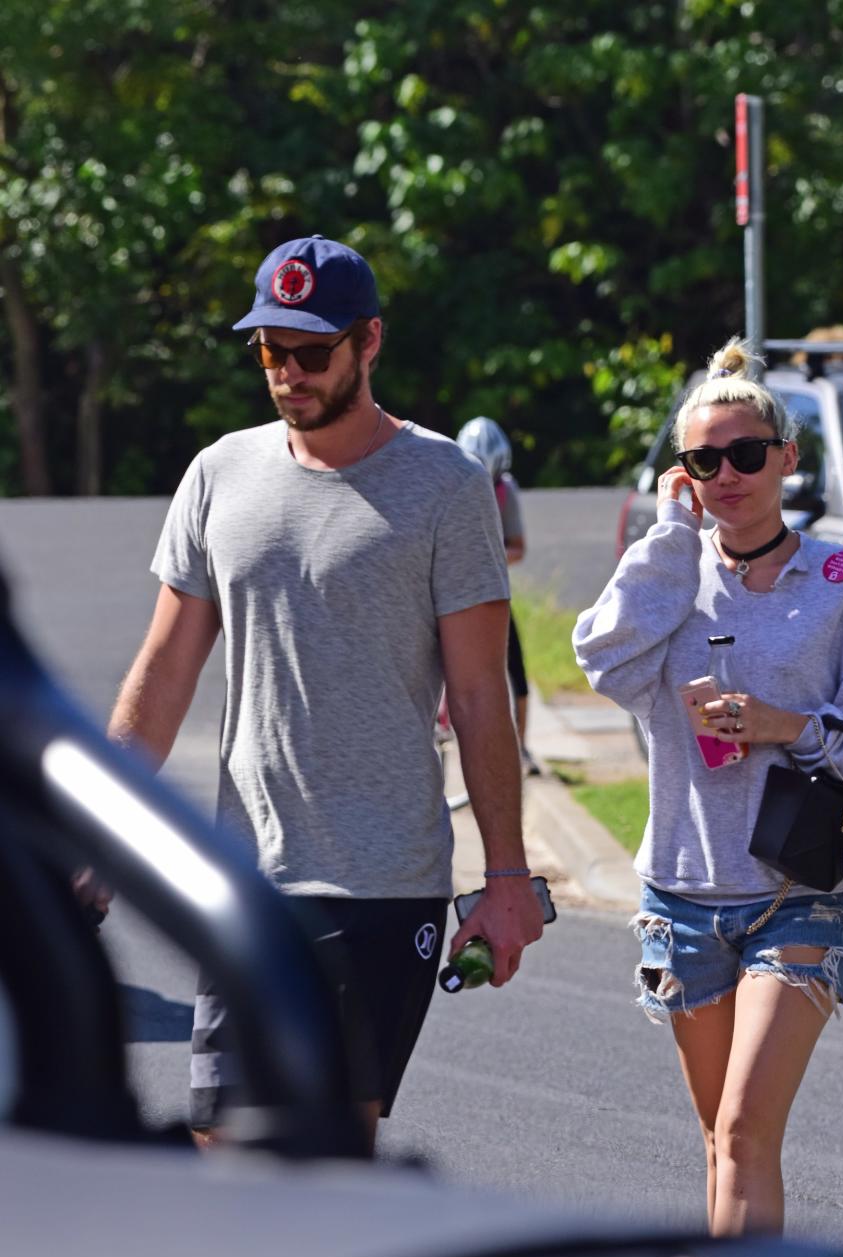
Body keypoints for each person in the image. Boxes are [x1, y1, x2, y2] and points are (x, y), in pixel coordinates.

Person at [90, 235, 544, 1150]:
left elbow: (481, 697)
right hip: (246, 877)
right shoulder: (219, 475)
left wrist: (505, 876)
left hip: (382, 883)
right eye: (269, 350)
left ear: (368, 342)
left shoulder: (446, 487)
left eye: (310, 351)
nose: (286, 372)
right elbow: (164, 669)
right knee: (225, 1152)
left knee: (326, 1162)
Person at [572, 337, 843, 1236]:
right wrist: (667, 536)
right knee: (721, 1140)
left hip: (795, 890)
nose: (728, 474)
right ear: (684, 476)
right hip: (681, 892)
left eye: (747, 453)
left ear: (787, 459)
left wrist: (784, 726)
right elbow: (601, 660)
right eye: (703, 460)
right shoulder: (667, 579)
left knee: (745, 1125)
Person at [455, 416, 539, 775]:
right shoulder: (449, 486)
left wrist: (489, 554)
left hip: (493, 594)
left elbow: (518, 548)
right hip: (452, 595)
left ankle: (520, 748)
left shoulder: (506, 492)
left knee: (515, 672)